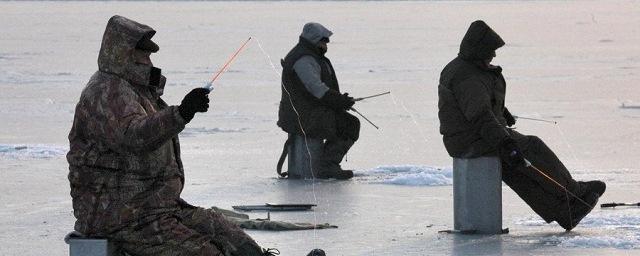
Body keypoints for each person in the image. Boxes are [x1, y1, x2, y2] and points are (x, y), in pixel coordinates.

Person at [67, 15, 324, 256]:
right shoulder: (107, 92)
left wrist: (182, 110)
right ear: (123, 55)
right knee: (203, 251)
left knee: (226, 231)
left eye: (148, 55)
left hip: (153, 206)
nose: (148, 61)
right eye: (142, 55)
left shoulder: (137, 89)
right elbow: (134, 136)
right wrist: (183, 112)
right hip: (118, 214)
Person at [437, 20, 606, 231]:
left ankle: (564, 211)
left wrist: (501, 112)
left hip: (467, 137)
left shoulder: (468, 68)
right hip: (470, 139)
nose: (494, 55)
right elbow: (480, 115)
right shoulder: (467, 75)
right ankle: (574, 192)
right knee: (531, 147)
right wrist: (507, 143)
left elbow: (477, 105)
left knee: (514, 167)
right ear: (479, 48)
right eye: (491, 50)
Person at [278, 22, 360, 180]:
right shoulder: (304, 59)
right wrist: (339, 101)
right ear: (316, 41)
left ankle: (327, 164)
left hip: (302, 113)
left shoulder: (307, 55)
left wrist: (340, 101)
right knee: (350, 124)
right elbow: (316, 88)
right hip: (304, 116)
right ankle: (328, 166)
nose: (326, 45)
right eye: (324, 41)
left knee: (345, 122)